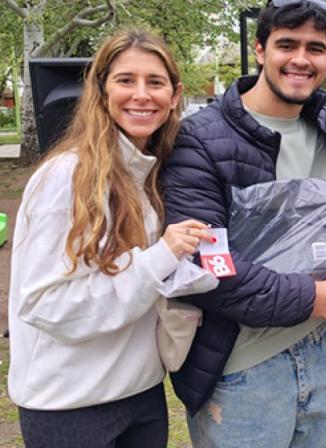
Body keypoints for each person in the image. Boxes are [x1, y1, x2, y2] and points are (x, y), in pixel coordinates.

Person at [160, 1, 326, 446]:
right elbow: (209, 263)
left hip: (325, 351)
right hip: (240, 368)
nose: (301, 59)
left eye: (315, 48)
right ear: (260, 50)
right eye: (287, 44)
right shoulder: (201, 138)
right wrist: (306, 297)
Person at [8, 29, 212, 447]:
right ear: (100, 92)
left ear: (174, 96)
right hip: (70, 407)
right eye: (125, 80)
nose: (142, 95)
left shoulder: (147, 175)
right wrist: (161, 258)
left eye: (155, 82)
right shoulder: (65, 177)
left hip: (141, 396)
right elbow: (45, 304)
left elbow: (133, 285)